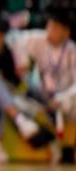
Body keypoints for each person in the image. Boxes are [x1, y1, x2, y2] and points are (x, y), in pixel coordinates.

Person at [0, 17, 55, 164]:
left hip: (6, 94)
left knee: (7, 96)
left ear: (3, 37)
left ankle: (2, 140)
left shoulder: (7, 53)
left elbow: (15, 81)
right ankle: (17, 120)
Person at [9, 13, 76, 163]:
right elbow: (13, 37)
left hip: (66, 101)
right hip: (41, 97)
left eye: (55, 28)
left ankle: (69, 149)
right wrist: (21, 61)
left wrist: (62, 99)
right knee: (16, 103)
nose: (50, 31)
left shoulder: (72, 50)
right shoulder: (39, 39)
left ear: (66, 32)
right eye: (49, 26)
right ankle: (50, 142)